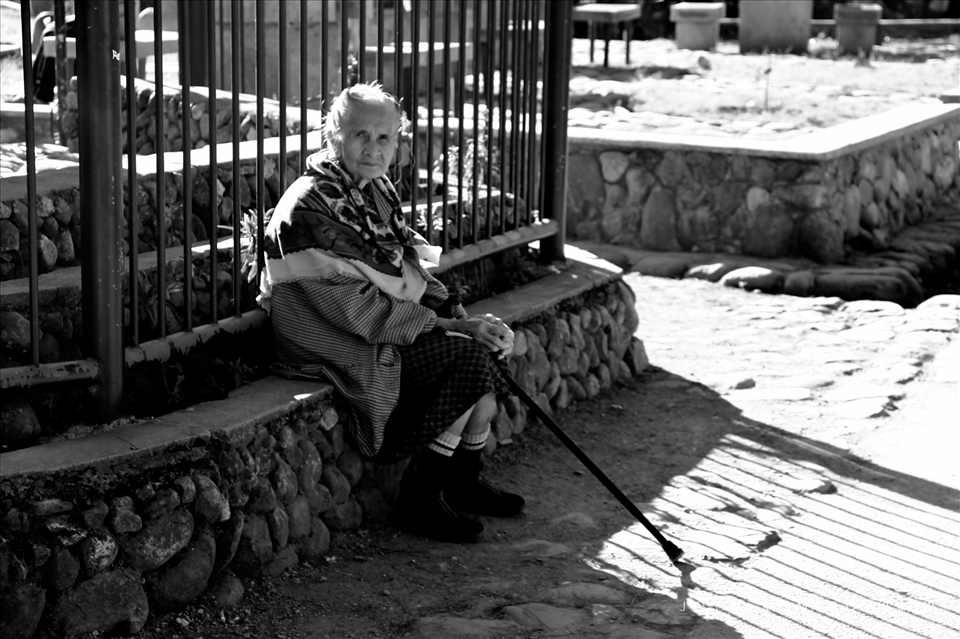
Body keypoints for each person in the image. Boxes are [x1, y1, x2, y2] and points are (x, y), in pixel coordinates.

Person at [259, 82, 524, 543]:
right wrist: (455, 327)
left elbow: (408, 270)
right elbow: (353, 311)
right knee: (465, 360)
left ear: (397, 144)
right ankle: (421, 497)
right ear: (333, 135)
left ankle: (460, 480)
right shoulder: (309, 205)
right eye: (360, 134)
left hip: (382, 326)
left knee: (484, 359)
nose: (372, 148)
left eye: (384, 138)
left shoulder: (375, 191)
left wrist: (461, 314)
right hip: (336, 340)